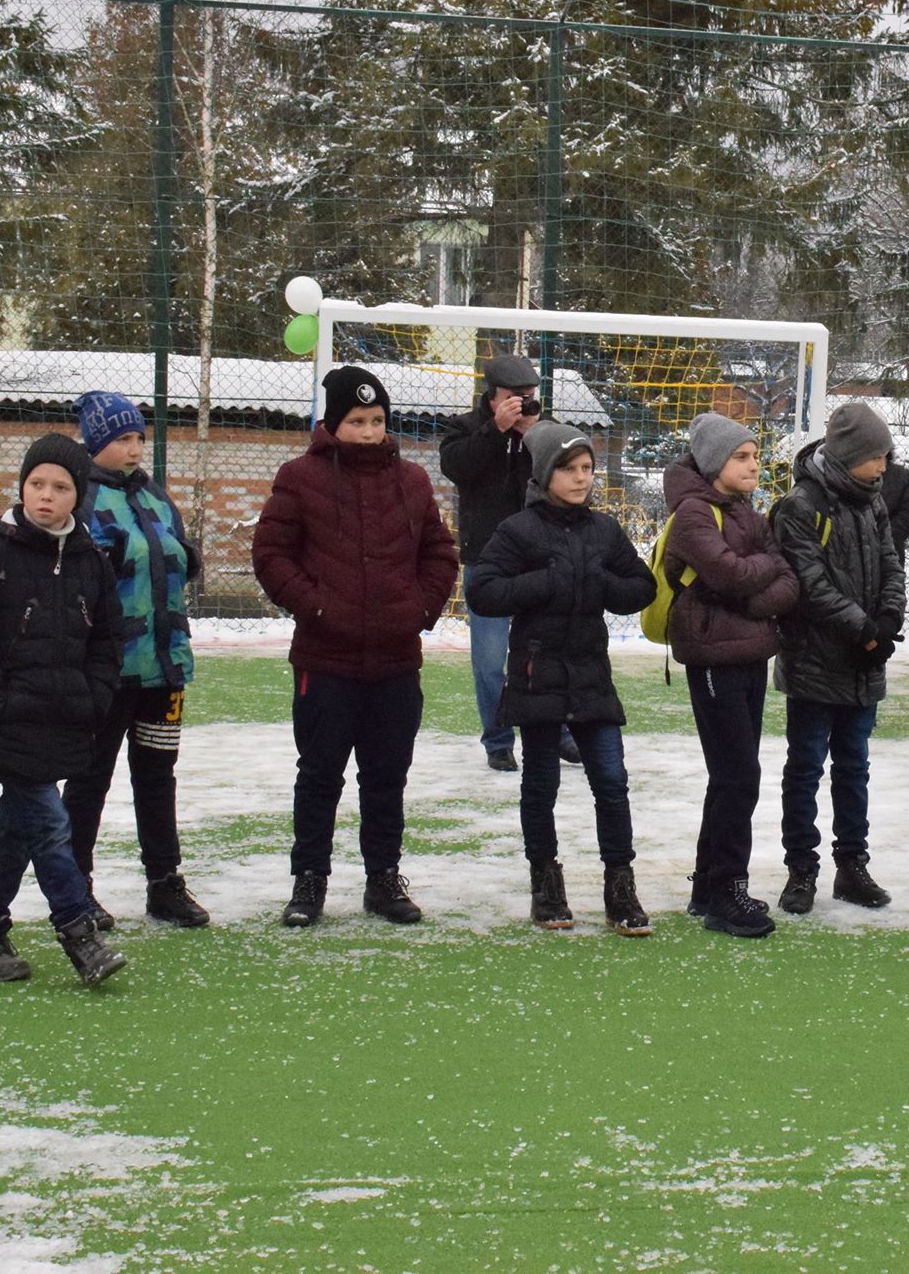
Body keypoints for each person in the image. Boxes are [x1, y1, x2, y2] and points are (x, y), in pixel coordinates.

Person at [251, 366, 460, 928]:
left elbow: (440, 554)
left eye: (377, 421)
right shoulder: (299, 477)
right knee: (319, 774)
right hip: (326, 661)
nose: (369, 432)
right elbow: (271, 556)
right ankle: (309, 881)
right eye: (357, 421)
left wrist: (418, 610)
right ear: (332, 423)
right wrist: (318, 607)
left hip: (395, 662)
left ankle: (383, 879)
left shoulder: (413, 481)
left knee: (387, 776)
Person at [0, 433, 127, 985]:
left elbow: (108, 641)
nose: (46, 495)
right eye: (36, 483)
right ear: (22, 487)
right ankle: (80, 935)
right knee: (49, 824)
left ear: (78, 495)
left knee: (20, 829)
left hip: (65, 719)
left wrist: (93, 698)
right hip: (8, 720)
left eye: (61, 486)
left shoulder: (90, 560)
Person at [468, 422, 658, 933]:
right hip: (538, 674)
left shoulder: (604, 530)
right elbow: (482, 590)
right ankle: (546, 884)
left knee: (612, 782)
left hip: (592, 676)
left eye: (587, 469)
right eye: (569, 469)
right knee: (541, 784)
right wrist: (542, 583)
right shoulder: (519, 530)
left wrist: (600, 582)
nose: (580, 479)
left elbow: (641, 586)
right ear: (545, 473)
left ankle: (620, 883)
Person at [60, 391, 210, 929]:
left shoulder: (154, 495)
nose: (133, 449)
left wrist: (187, 559)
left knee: (156, 776)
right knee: (89, 779)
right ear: (96, 443)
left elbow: (176, 555)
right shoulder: (82, 499)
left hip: (163, 668)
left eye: (138, 439)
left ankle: (164, 883)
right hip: (106, 672)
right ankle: (74, 887)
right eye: (122, 439)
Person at [662, 414, 801, 935]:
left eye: (755, 455)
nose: (753, 465)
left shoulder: (745, 510)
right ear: (715, 462)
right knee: (740, 777)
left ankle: (708, 885)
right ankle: (727, 891)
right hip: (714, 659)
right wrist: (752, 579)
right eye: (741, 457)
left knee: (729, 778)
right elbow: (729, 572)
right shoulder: (694, 514)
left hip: (749, 656)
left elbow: (786, 575)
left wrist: (749, 586)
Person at [774, 403, 907, 913]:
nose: (883, 467)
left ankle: (852, 867)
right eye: (876, 457)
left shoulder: (873, 503)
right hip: (814, 663)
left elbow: (891, 562)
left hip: (864, 663)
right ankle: (801, 872)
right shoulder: (801, 505)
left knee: (855, 767)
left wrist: (887, 622)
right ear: (849, 455)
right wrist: (862, 630)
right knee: (805, 768)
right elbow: (810, 585)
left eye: (887, 455)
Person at [438, 353, 560, 772]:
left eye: (529, 396)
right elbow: (457, 467)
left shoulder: (542, 431)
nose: (523, 403)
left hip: (538, 560)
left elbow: (563, 480)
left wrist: (534, 435)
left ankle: (554, 733)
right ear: (492, 397)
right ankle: (498, 741)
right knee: (490, 662)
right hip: (486, 561)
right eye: (514, 397)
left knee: (546, 654)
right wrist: (497, 431)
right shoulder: (466, 428)